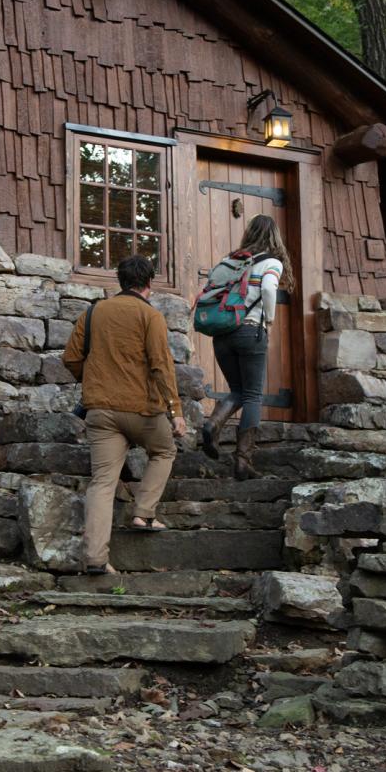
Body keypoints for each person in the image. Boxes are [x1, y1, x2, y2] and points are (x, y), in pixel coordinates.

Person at [63, 253, 188, 575]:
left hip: (101, 412)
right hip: (143, 412)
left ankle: (95, 559)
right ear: (149, 283)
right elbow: (162, 366)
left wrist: (93, 381)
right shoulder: (151, 316)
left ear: (119, 281)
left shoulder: (93, 313)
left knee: (102, 482)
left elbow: (71, 358)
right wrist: (176, 412)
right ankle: (144, 512)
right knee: (164, 450)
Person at [200, 214, 295, 479]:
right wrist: (271, 319)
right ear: (273, 237)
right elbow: (267, 289)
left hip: (222, 333)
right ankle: (243, 461)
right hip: (250, 330)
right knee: (253, 394)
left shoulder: (230, 260)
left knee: (239, 390)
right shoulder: (271, 262)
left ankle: (214, 423)